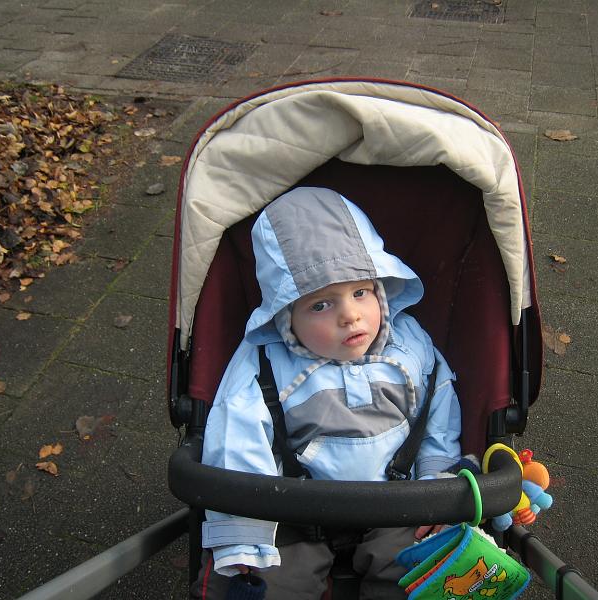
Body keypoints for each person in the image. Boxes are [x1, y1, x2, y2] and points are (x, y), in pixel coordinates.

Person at [192, 187, 469, 600]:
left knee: (424, 574)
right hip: (293, 508)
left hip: (399, 504)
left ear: (379, 288)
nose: (350, 315)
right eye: (321, 305)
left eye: (360, 292)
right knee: (263, 584)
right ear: (286, 318)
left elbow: (437, 414)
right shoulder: (265, 362)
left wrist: (437, 491)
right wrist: (245, 532)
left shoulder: (410, 344)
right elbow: (237, 437)